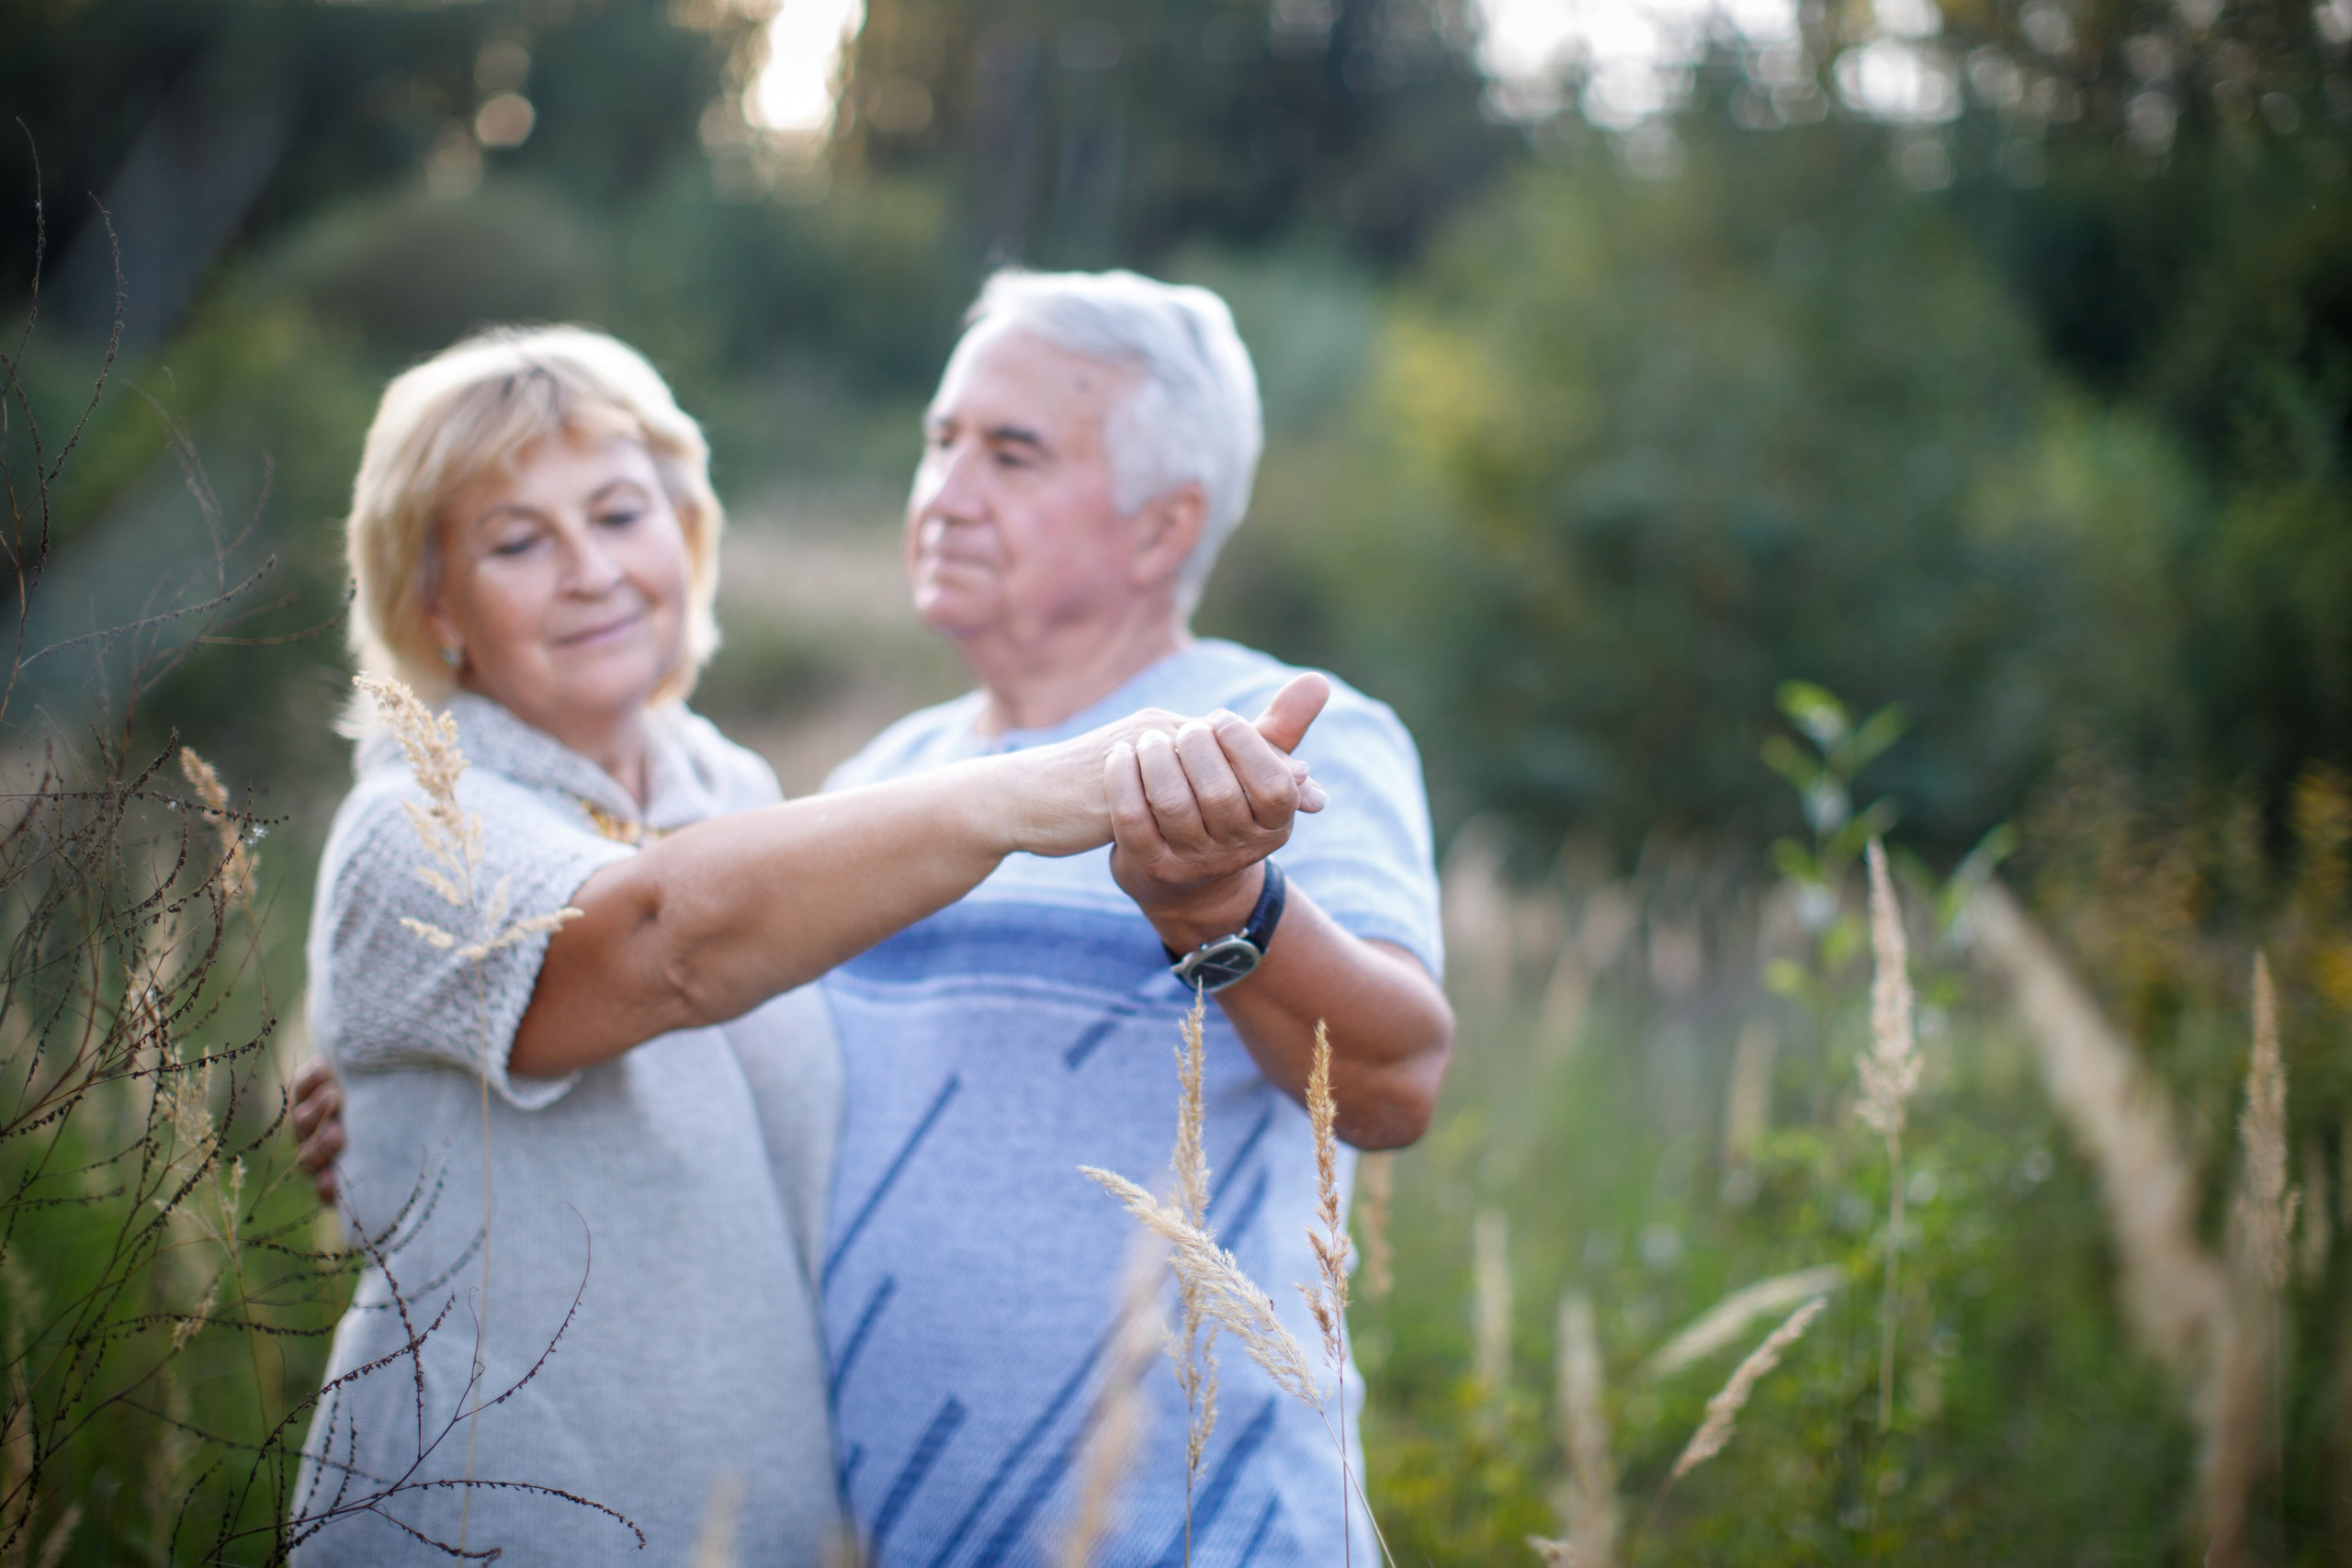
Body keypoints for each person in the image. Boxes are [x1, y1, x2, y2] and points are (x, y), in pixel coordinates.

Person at [289, 322, 1330, 1565]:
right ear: (435, 605)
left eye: (620, 515)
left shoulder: (734, 795)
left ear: (684, 538)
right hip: (489, 1528)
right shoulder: (416, 825)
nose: (589, 571)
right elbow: (661, 943)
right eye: (518, 543)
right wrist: (1016, 797)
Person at [806, 269, 1454, 1565]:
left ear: (1164, 530)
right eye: (942, 439)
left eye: (1013, 452)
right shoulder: (878, 775)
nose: (948, 489)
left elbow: (1394, 1085)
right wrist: (447, 1101)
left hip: (1200, 1533)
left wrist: (1226, 903)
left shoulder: (1270, 739)